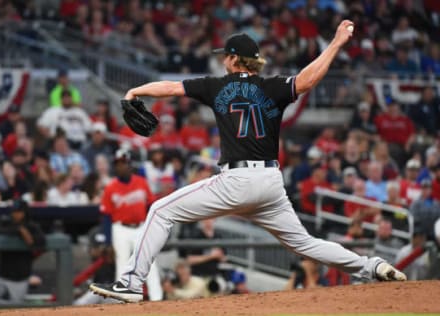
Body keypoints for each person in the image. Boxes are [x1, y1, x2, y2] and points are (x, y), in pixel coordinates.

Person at [90, 24, 406, 303]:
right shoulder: (272, 87)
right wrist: (335, 44)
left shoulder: (216, 86)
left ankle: (131, 283)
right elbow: (308, 80)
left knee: (160, 210)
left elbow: (170, 87)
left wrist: (134, 91)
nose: (221, 60)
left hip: (235, 181)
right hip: (269, 184)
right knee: (305, 243)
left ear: (232, 58)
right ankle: (371, 266)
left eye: (224, 55)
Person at [100, 148, 163, 301]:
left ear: (129, 164)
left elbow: (150, 207)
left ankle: (157, 300)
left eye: (123, 163)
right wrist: (107, 241)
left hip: (141, 227)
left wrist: (152, 230)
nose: (120, 166)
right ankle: (123, 301)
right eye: (117, 164)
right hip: (120, 229)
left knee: (149, 263)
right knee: (122, 265)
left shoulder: (141, 182)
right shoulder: (110, 188)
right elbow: (106, 216)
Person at [0, 199, 45, 304]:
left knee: (16, 307)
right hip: (3, 275)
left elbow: (41, 243)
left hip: (20, 277)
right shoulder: (5, 221)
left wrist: (28, 238)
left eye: (19, 212)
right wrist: (19, 230)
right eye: (14, 211)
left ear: (25, 212)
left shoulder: (32, 226)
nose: (16, 214)